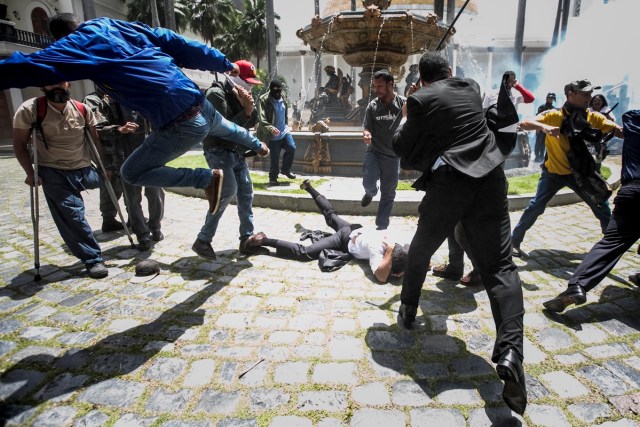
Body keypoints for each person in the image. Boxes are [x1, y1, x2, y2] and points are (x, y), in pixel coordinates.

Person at [0, 14, 265, 222]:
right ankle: (258, 145)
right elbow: (176, 42)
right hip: (197, 100)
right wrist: (221, 62)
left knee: (132, 172)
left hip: (178, 120)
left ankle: (205, 179)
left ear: (59, 37)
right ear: (79, 23)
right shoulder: (121, 27)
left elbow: (27, 67)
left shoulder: (76, 45)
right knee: (225, 126)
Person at [393, 52, 527, 415]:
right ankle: (512, 350)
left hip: (450, 184)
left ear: (421, 80)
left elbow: (400, 147)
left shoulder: (419, 100)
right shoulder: (469, 86)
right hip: (490, 178)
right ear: (450, 72)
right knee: (501, 266)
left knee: (421, 249)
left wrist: (407, 112)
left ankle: (407, 310)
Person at [511, 79, 623, 257]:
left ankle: (611, 244)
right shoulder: (554, 115)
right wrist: (545, 127)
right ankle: (513, 242)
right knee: (535, 206)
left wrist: (631, 131)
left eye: (590, 93)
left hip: (580, 173)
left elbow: (617, 130)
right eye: (585, 93)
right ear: (571, 94)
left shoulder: (593, 116)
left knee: (601, 204)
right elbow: (524, 124)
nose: (589, 97)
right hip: (553, 173)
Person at [543, 109, 639, 313]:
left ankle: (577, 286)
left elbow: (629, 117)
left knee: (612, 242)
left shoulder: (633, 119)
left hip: (634, 192)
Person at [12, 82, 108, 278]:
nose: (56, 86)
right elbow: (20, 143)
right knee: (73, 214)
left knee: (115, 182)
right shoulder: (30, 109)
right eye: (50, 82)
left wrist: (104, 167)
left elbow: (95, 139)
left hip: (83, 168)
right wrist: (30, 173)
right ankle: (93, 259)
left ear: (68, 84)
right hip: (53, 171)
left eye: (60, 81)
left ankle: (110, 218)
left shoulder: (82, 108)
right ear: (42, 86)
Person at [244, 180, 410, 282]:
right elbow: (381, 277)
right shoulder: (378, 250)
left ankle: (309, 187)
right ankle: (262, 240)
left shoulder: (398, 241)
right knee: (304, 253)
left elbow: (413, 249)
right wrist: (389, 255)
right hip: (345, 239)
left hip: (355, 229)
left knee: (331, 215)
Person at [192, 60, 270, 260]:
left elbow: (248, 125)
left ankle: (246, 239)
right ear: (233, 76)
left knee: (246, 192)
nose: (250, 86)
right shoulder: (216, 94)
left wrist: (249, 109)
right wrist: (245, 110)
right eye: (247, 81)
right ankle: (203, 239)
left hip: (237, 152)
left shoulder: (240, 94)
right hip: (218, 150)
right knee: (226, 191)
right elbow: (223, 129)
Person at [83, 88, 165, 251]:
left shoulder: (144, 98)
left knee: (155, 193)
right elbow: (97, 129)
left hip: (150, 156)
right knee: (132, 199)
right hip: (124, 158)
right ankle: (142, 235)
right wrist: (119, 129)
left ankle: (155, 227)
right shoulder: (106, 103)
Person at [361, 69, 405, 230]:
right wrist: (366, 135)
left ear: (391, 84)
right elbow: (367, 128)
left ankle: (382, 226)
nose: (376, 90)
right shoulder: (372, 106)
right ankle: (370, 193)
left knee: (388, 192)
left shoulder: (403, 104)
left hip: (393, 156)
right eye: (374, 86)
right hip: (374, 151)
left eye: (379, 86)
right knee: (368, 181)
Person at [256, 79, 297, 186]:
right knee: (274, 157)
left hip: (284, 131)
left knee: (291, 148)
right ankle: (273, 178)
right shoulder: (264, 99)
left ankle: (285, 170)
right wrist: (270, 128)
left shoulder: (282, 97)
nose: (278, 91)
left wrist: (287, 124)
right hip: (272, 134)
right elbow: (261, 118)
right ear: (270, 89)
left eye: (279, 89)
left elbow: (284, 112)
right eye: (275, 89)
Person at [534, 92, 556, 162]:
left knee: (544, 143)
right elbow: (538, 117)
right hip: (540, 127)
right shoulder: (542, 107)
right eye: (550, 98)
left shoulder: (553, 108)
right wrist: (537, 128)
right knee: (538, 143)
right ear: (547, 98)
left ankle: (541, 157)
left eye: (552, 98)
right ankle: (537, 157)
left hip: (547, 128)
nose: (551, 99)